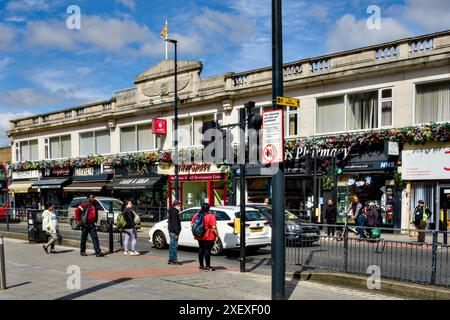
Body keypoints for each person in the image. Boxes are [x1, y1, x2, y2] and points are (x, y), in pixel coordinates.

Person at [191, 203, 218, 271]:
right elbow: (214, 227)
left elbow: (192, 224)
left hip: (199, 235)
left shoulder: (196, 215)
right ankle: (208, 266)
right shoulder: (211, 216)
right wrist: (217, 235)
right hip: (209, 236)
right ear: (208, 209)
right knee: (207, 250)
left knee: (201, 249)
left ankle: (201, 265)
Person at [168, 200, 182, 265]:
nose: (180, 206)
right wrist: (177, 233)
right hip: (174, 232)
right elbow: (175, 223)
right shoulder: (174, 212)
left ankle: (171, 259)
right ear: (176, 205)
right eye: (179, 205)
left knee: (171, 245)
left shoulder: (172, 211)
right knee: (174, 246)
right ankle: (174, 260)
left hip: (171, 231)